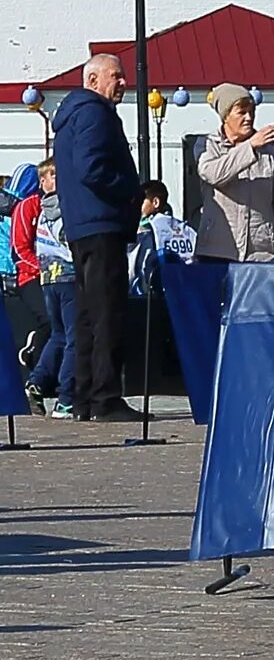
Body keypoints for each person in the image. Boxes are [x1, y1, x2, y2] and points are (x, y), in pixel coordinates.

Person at [51, 54, 143, 422]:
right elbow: (92, 168)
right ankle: (105, 397)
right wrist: (129, 190)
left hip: (83, 225)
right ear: (93, 79)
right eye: (115, 76)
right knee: (107, 314)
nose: (123, 82)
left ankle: (85, 396)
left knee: (89, 315)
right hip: (101, 223)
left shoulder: (71, 116)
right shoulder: (93, 112)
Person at [194, 84, 274, 263]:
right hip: (217, 251)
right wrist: (250, 147)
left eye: (252, 111)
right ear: (225, 116)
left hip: (261, 254)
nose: (248, 118)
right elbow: (213, 175)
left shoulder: (268, 151)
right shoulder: (207, 145)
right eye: (241, 112)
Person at [13, 159, 77, 416]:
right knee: (66, 332)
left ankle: (38, 383)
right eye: (49, 176)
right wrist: (40, 267)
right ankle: (64, 394)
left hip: (51, 275)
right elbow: (20, 247)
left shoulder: (55, 203)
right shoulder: (30, 206)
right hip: (38, 276)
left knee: (58, 331)